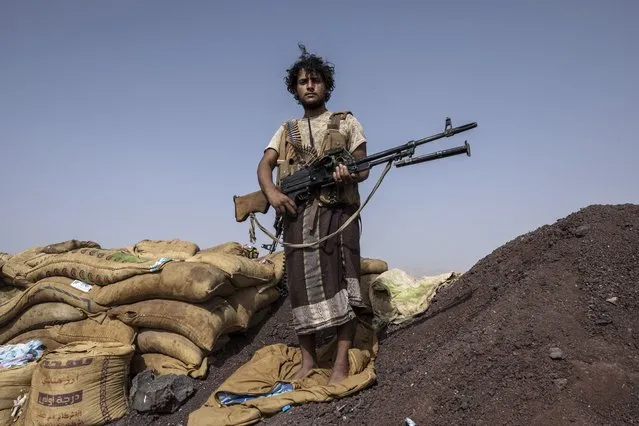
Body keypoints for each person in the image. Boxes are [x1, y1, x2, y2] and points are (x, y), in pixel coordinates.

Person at [257, 44, 370, 385]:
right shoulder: (286, 129)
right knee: (300, 290)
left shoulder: (346, 122)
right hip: (296, 216)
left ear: (326, 86)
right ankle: (307, 362)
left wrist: (349, 173)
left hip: (336, 215)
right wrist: (272, 193)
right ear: (295, 88)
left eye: (316, 80)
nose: (310, 86)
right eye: (303, 81)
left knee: (343, 282)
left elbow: (362, 165)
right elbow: (264, 166)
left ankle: (340, 364)